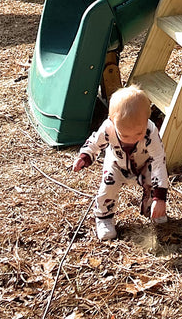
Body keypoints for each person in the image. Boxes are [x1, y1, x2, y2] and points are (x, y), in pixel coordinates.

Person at [72, 85, 169, 241]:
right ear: (112, 121)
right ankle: (104, 217)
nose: (133, 139)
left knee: (153, 180)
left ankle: (153, 208)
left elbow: (159, 160)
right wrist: (85, 156)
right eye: (124, 134)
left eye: (139, 133)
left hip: (144, 165)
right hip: (116, 165)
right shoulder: (108, 128)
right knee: (107, 188)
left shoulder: (151, 132)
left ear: (147, 120)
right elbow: (94, 143)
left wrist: (160, 198)